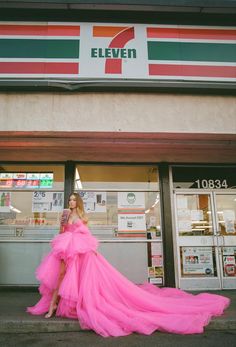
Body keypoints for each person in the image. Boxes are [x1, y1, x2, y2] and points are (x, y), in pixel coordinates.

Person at [27, 193, 230, 337]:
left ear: (77, 202)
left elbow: (87, 235)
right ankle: (53, 304)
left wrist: (90, 248)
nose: (71, 202)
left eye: (73, 199)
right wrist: (60, 231)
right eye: (69, 199)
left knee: (73, 278)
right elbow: (62, 231)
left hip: (80, 251)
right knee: (60, 276)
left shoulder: (82, 216)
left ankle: (61, 304)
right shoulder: (65, 214)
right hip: (64, 248)